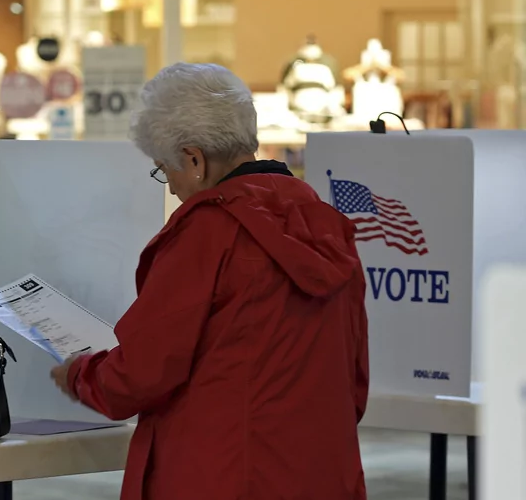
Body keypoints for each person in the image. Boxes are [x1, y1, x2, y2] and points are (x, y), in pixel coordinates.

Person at [50, 63, 369, 500]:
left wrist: (80, 375)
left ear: (195, 160)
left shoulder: (207, 234)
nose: (174, 187)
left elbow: (140, 373)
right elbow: (354, 383)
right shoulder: (331, 229)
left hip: (219, 475)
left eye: (166, 169)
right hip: (322, 474)